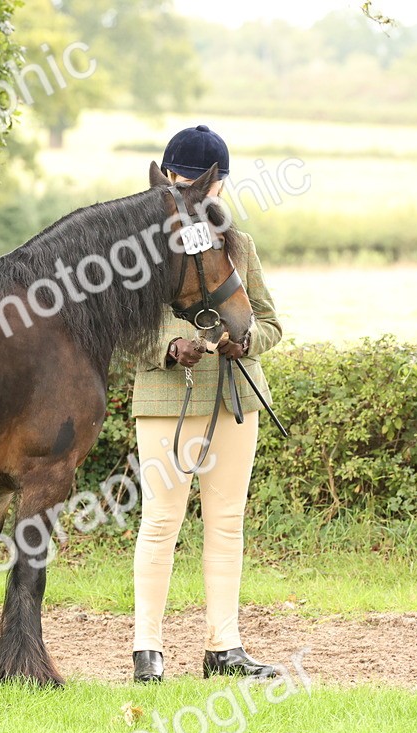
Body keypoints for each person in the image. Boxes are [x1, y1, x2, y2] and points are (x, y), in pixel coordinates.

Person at [130, 124, 283, 682]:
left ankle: (225, 647)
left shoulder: (237, 244)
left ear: (218, 186)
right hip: (165, 399)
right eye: (182, 181)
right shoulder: (141, 251)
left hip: (236, 399)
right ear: (167, 181)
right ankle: (148, 649)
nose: (192, 192)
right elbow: (128, 332)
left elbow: (270, 322)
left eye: (202, 184)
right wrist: (171, 345)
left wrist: (248, 342)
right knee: (161, 521)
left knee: (226, 523)